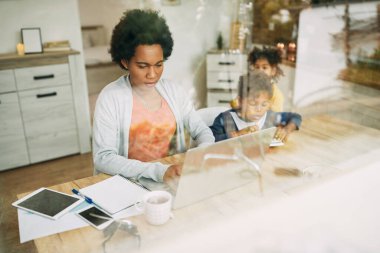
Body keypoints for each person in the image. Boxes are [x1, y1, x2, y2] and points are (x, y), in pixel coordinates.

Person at [92, 9, 214, 183]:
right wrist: (158, 171)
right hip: (130, 183)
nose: (153, 74)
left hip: (173, 178)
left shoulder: (174, 91)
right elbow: (103, 157)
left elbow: (202, 131)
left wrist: (202, 152)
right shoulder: (110, 98)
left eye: (159, 64)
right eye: (143, 66)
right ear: (125, 61)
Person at [210, 71, 301, 142]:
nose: (259, 109)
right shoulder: (225, 119)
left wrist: (286, 130)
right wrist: (237, 135)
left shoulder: (270, 117)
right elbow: (209, 139)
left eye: (264, 104)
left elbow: (295, 117)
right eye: (253, 104)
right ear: (240, 101)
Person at [246, 46, 285, 112]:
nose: (260, 71)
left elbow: (277, 114)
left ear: (273, 71)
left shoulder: (276, 95)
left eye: (264, 67)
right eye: (257, 67)